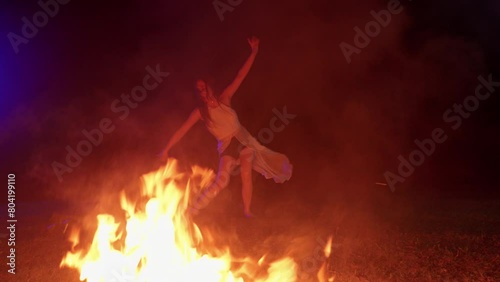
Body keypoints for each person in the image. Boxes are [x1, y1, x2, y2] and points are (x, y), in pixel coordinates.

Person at [161, 36, 292, 217]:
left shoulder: (225, 98)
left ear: (209, 86)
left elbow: (240, 75)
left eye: (203, 87)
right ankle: (192, 211)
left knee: (246, 172)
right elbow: (182, 130)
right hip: (227, 145)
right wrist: (166, 149)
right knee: (221, 181)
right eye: (198, 90)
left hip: (243, 139)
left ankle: (247, 211)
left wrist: (254, 51)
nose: (202, 92)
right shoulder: (201, 112)